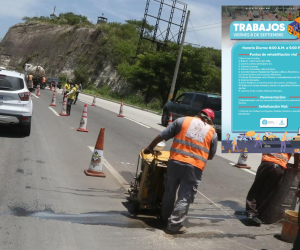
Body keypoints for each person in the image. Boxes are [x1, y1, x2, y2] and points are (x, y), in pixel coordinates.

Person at [144, 109, 218, 234]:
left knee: (170, 191)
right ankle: (174, 225)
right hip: (194, 167)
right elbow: (210, 156)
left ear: (199, 114)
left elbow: (163, 135)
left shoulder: (182, 121)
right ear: (210, 119)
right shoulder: (212, 132)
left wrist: (150, 147)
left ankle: (165, 218)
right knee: (185, 196)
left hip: (175, 162)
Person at [246, 153, 292, 226]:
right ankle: (257, 215)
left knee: (256, 188)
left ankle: (251, 213)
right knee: (267, 192)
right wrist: (296, 165)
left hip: (266, 163)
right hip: (278, 167)